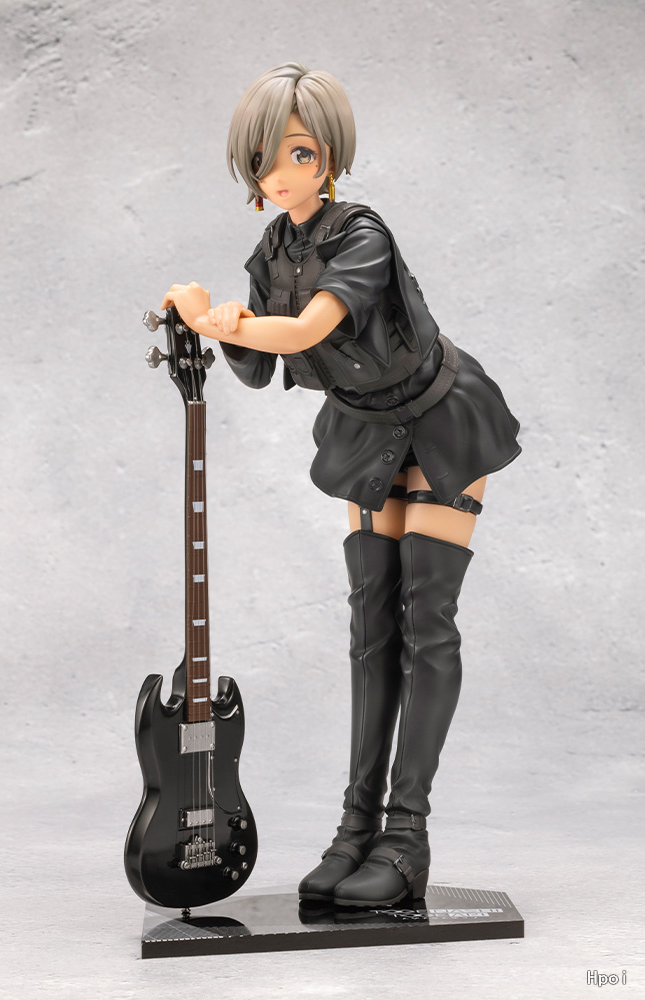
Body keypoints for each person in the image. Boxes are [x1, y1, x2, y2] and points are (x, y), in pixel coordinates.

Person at [162, 62, 521, 908]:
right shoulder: (271, 249)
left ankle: (406, 835)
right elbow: (260, 366)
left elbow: (307, 329)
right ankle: (355, 828)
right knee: (370, 625)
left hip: (439, 417)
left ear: (328, 153)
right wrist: (220, 323)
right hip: (363, 428)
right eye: (265, 158)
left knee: (426, 620)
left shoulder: (363, 233)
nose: (281, 173)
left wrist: (220, 319)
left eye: (299, 153)